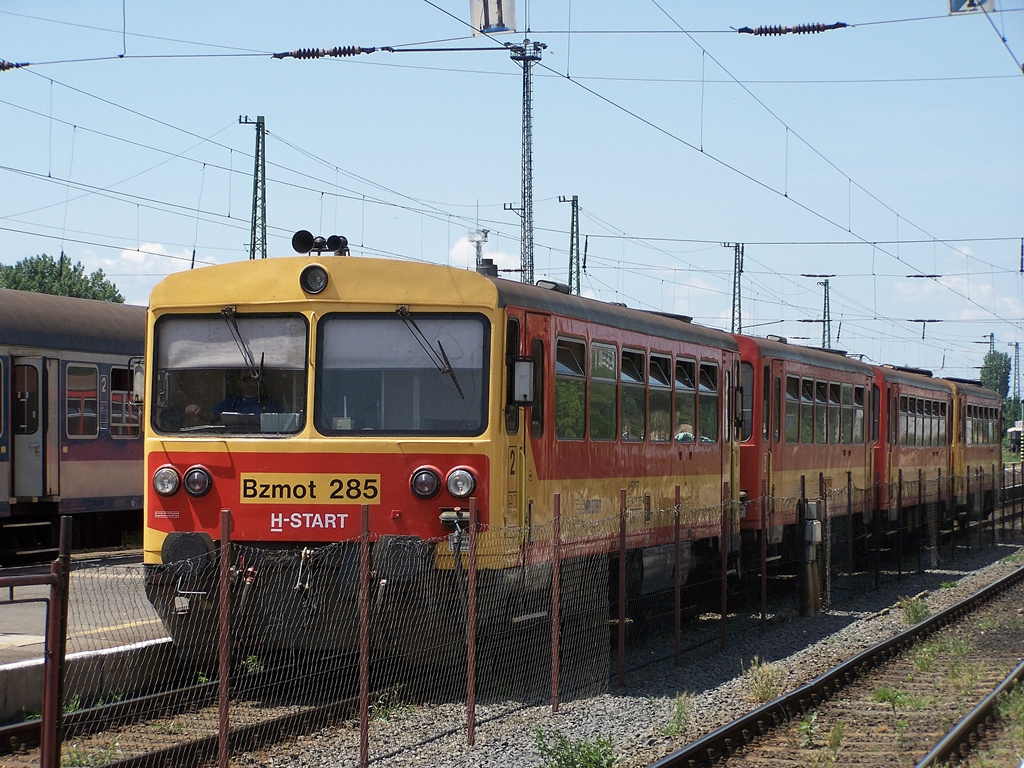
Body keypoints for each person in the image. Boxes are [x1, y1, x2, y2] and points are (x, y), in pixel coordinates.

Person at [186, 371, 281, 422]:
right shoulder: (230, 403)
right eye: (246, 379)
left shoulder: (271, 405)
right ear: (239, 383)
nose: (251, 383)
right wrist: (199, 409)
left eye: (255, 379)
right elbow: (211, 415)